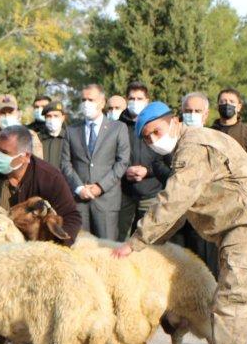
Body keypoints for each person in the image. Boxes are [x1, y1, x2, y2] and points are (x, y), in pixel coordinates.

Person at [114, 102, 247, 344]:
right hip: (241, 226)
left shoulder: (194, 145)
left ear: (175, 121)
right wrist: (148, 243)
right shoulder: (190, 146)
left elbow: (175, 200)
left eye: (157, 130)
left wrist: (136, 242)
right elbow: (181, 210)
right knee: (230, 299)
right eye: (147, 137)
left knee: (232, 302)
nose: (154, 140)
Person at [0, 124, 82, 244]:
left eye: (4, 153)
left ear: (26, 156)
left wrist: (55, 248)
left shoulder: (50, 178)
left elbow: (71, 216)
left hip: (35, 248)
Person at [60, 83, 130, 239]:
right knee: (80, 248)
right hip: (79, 201)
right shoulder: (72, 130)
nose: (86, 104)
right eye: (83, 100)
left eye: (90, 99)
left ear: (102, 102)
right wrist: (78, 188)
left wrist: (100, 186)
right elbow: (65, 163)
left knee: (106, 250)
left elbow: (122, 162)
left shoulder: (118, 128)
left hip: (106, 201)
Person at [171, 92, 218, 275]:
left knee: (206, 272)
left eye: (197, 111)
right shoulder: (172, 138)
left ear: (206, 115)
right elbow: (158, 162)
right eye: (188, 110)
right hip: (177, 216)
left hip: (204, 215)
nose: (192, 114)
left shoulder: (214, 140)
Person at [118, 82, 168, 240]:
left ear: (147, 100)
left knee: (149, 239)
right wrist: (125, 170)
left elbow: (165, 156)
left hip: (151, 192)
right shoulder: (118, 126)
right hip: (124, 193)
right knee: (120, 239)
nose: (135, 102)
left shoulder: (156, 124)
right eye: (131, 98)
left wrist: (148, 171)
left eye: (139, 98)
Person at [212, 88, 247, 164]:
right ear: (217, 106)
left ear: (239, 107)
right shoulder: (209, 132)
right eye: (223, 101)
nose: (227, 104)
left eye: (231, 102)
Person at [38, 101, 66, 167]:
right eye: (49, 116)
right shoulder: (38, 139)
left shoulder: (69, 139)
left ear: (63, 118)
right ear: (45, 118)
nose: (52, 119)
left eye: (56, 116)